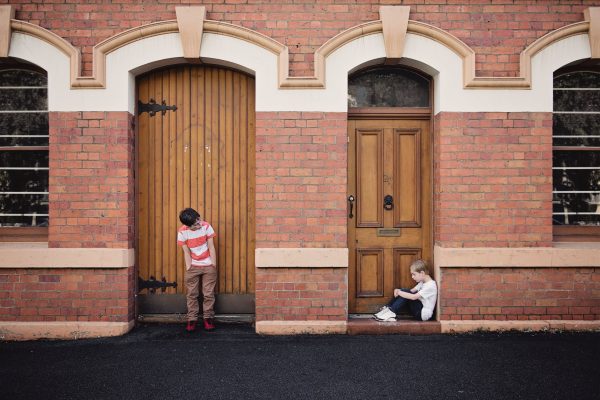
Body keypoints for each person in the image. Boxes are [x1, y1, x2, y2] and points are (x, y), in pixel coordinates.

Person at [177, 208, 218, 332]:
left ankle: (208, 318)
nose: (199, 223)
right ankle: (192, 319)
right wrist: (189, 267)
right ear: (187, 226)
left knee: (208, 294)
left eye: (198, 219)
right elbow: (186, 252)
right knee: (191, 294)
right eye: (195, 224)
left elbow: (211, 246)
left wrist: (213, 264)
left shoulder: (206, 226)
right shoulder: (182, 232)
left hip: (208, 265)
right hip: (193, 267)